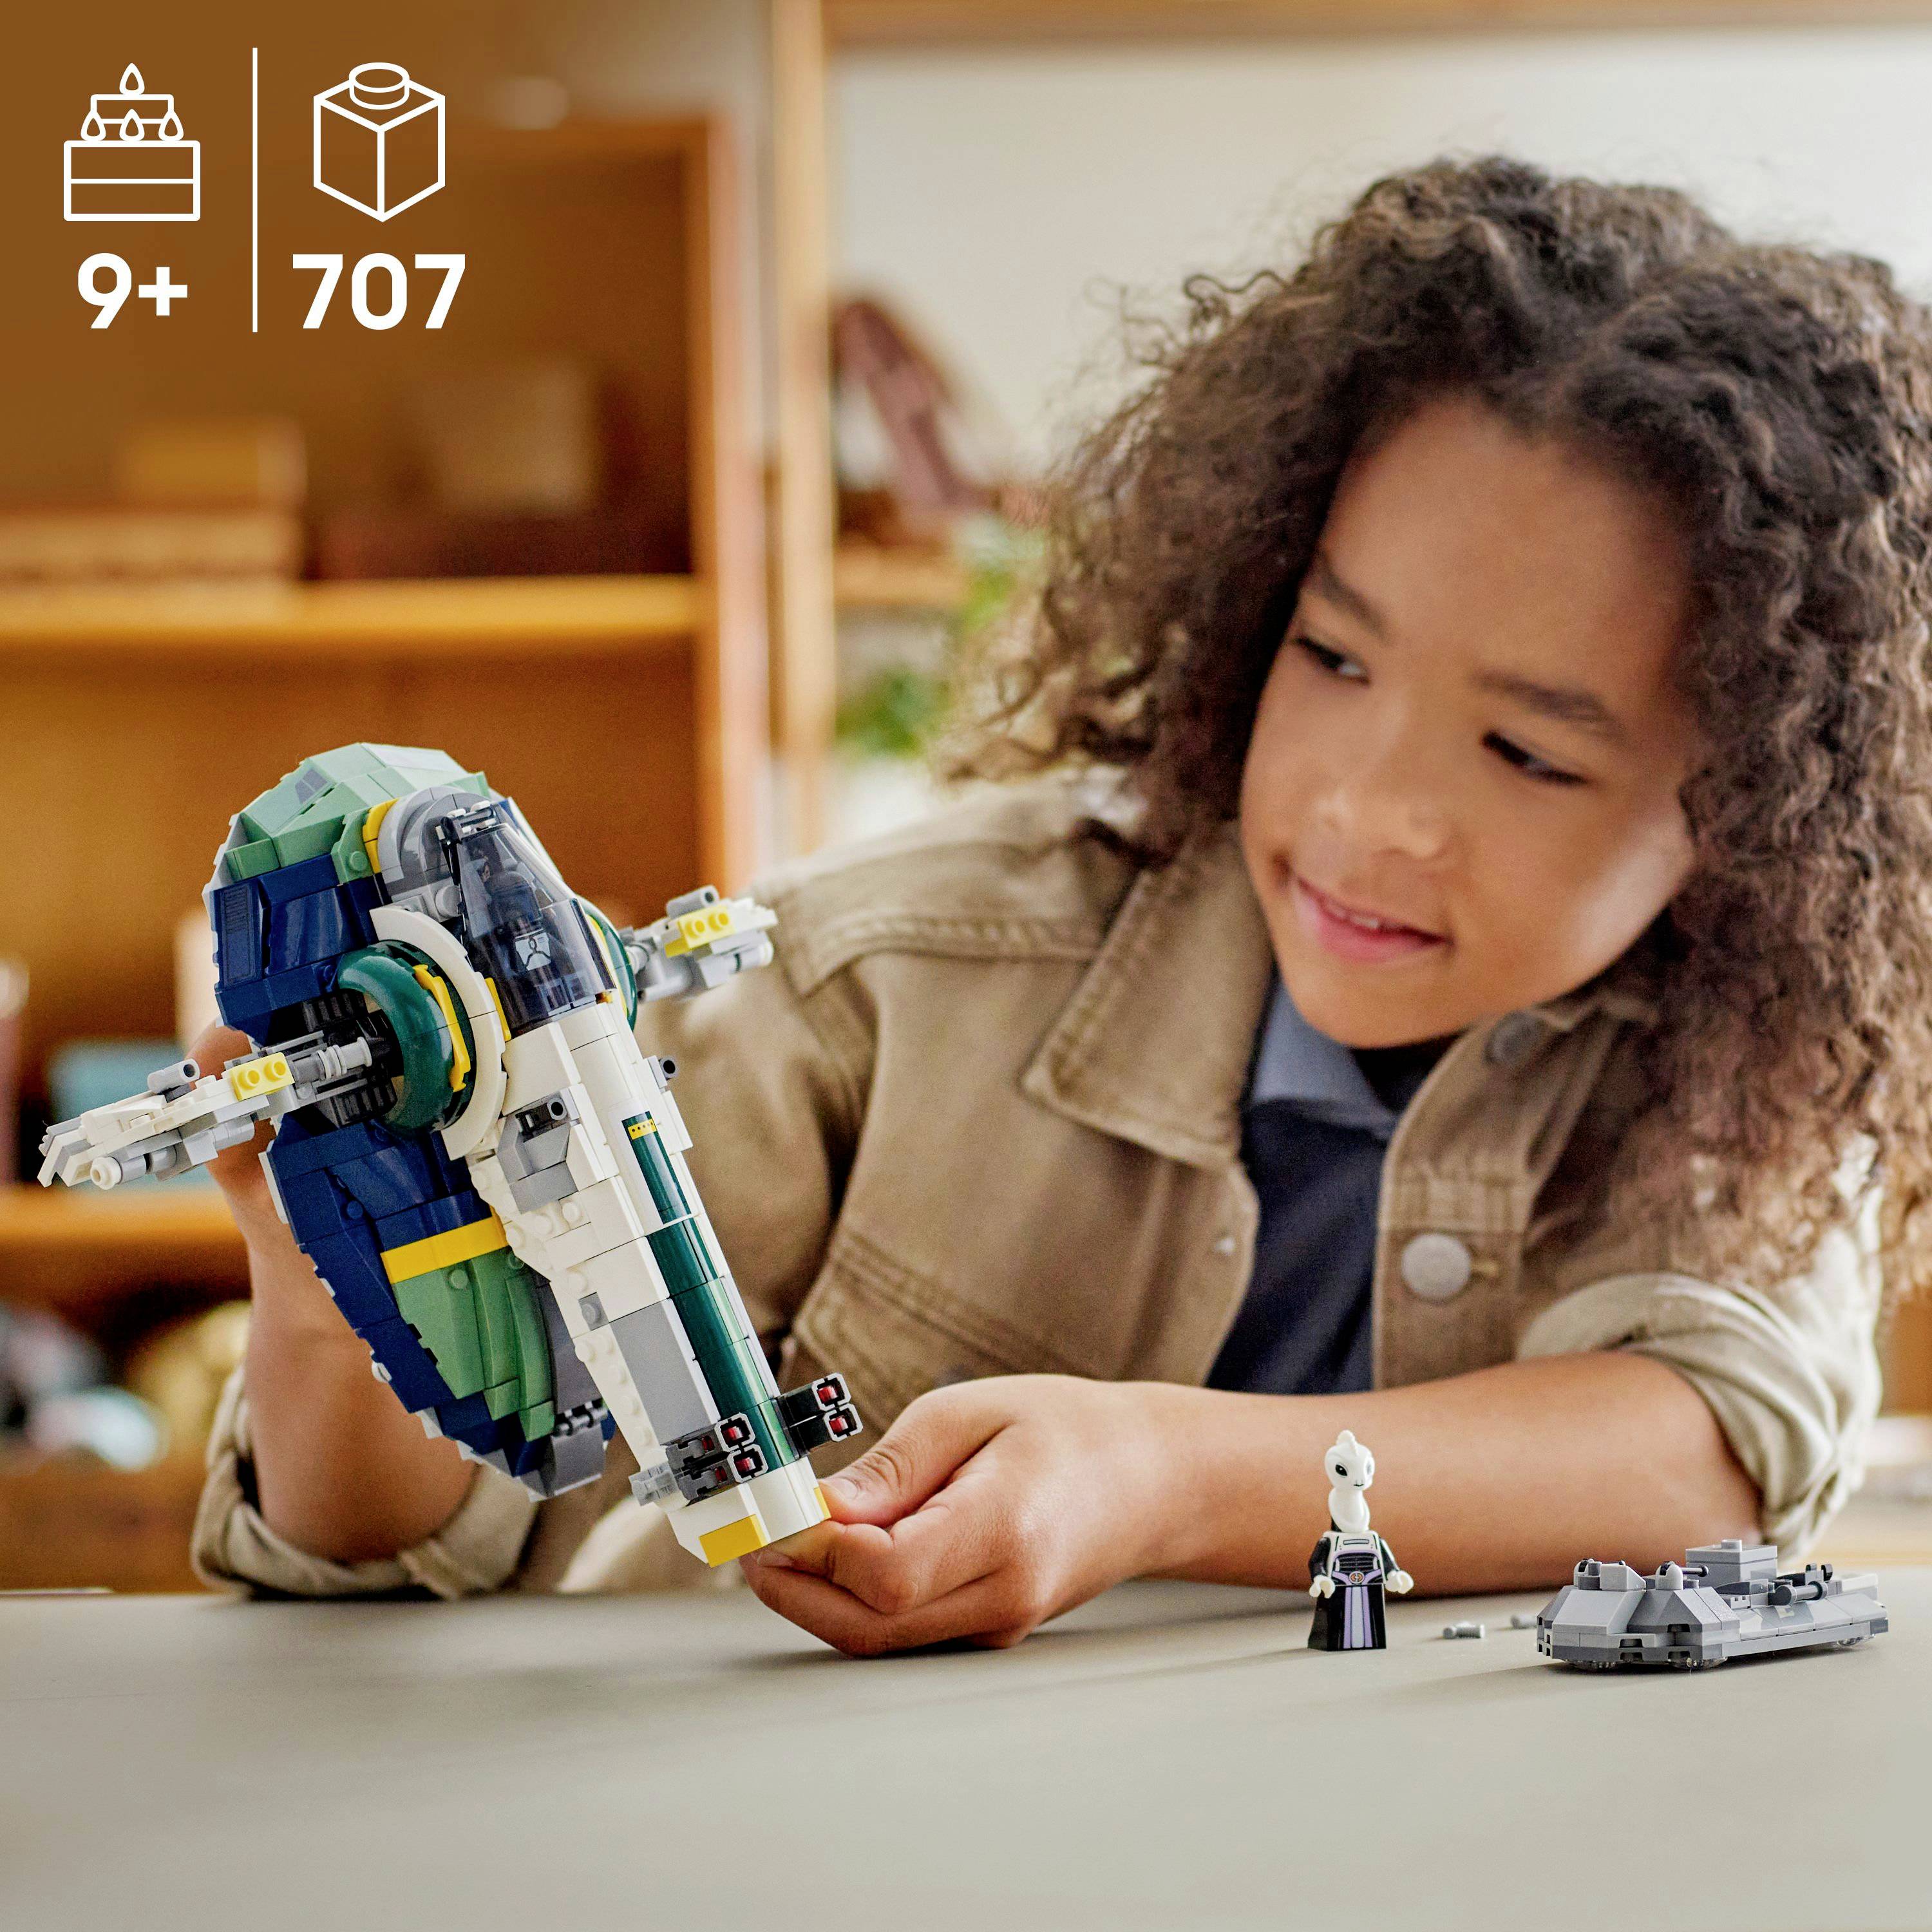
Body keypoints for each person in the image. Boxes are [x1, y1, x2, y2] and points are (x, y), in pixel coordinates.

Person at [191, 155, 1932, 1655]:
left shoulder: (1753, 1061)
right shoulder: (887, 977)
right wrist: (329, 1288)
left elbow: (1705, 1442)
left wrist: (1156, 1476)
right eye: (1332, 655)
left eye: (1529, 754)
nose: (1367, 809)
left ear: (1760, 816)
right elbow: (397, 1549)